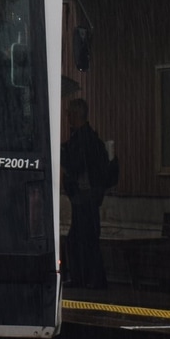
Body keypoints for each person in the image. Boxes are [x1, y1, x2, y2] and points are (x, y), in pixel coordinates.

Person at [61, 98, 110, 289]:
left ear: (75, 115)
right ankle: (93, 278)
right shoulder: (92, 140)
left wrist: (65, 160)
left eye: (69, 114)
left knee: (80, 239)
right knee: (87, 238)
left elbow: (75, 166)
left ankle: (86, 278)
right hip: (90, 197)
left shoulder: (81, 141)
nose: (67, 118)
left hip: (83, 197)